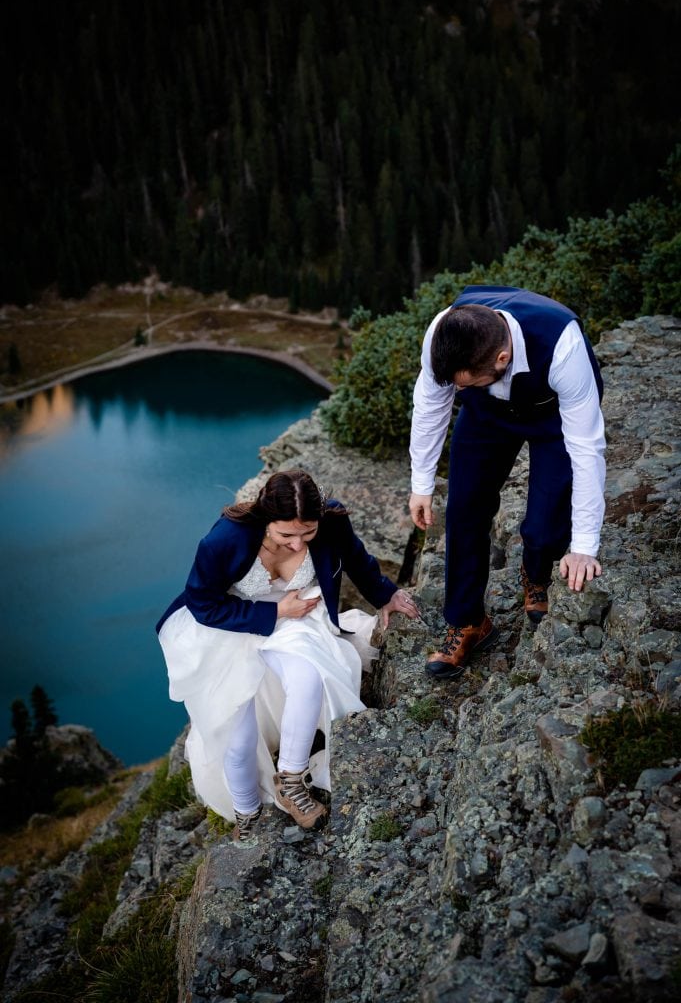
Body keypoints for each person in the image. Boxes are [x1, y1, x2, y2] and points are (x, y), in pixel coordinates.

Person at [156, 469, 419, 841]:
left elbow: (356, 558)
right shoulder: (224, 539)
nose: (298, 545)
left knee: (308, 677)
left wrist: (386, 595)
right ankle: (247, 815)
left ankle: (292, 781)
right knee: (238, 734)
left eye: (307, 534)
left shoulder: (331, 519)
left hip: (296, 621)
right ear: (265, 519)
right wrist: (274, 612)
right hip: (228, 627)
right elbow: (203, 605)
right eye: (285, 535)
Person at [408, 284, 606, 680]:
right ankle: (468, 623)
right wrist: (422, 482)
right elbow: (431, 405)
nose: (457, 390)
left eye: (465, 383)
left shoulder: (563, 345)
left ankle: (536, 571)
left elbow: (587, 450)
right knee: (464, 511)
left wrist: (585, 546)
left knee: (548, 526)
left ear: (502, 357)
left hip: (551, 414)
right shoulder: (444, 334)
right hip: (486, 416)